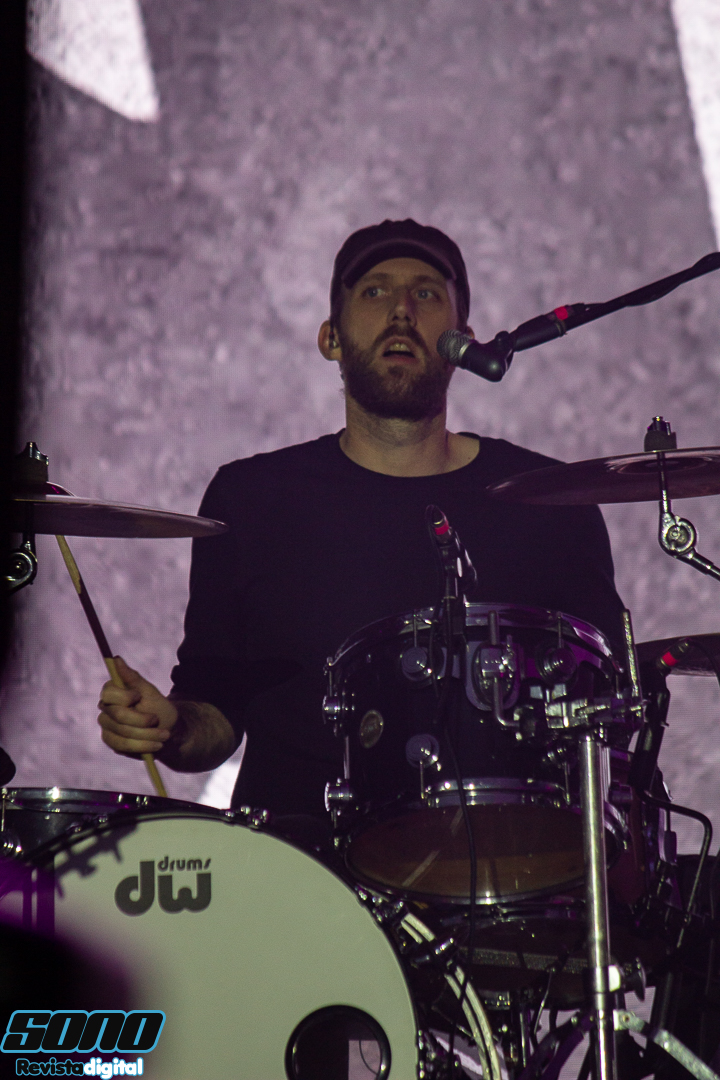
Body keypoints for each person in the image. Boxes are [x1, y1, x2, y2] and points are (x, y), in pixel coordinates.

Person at [98, 219, 625, 823]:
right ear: (331, 338)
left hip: (507, 862)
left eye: (426, 293)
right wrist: (168, 727)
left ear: (464, 341)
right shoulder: (251, 499)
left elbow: (610, 705)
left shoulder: (550, 502)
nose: (402, 311)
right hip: (295, 862)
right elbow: (214, 713)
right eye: (374, 292)